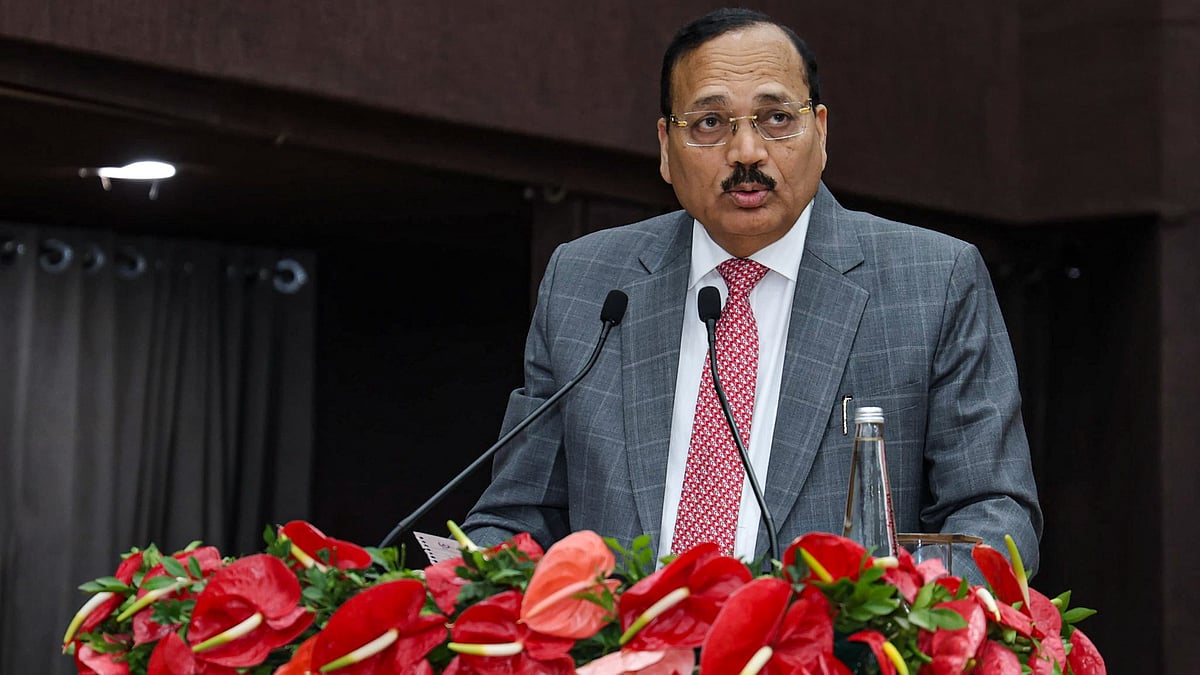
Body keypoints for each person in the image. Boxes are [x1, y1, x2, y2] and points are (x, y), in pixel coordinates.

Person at [462, 7, 1042, 578]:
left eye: (775, 119)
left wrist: (881, 627)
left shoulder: (931, 281)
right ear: (667, 146)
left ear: (820, 130)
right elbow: (518, 516)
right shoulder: (586, 282)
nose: (746, 153)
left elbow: (992, 518)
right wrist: (467, 588)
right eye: (710, 123)